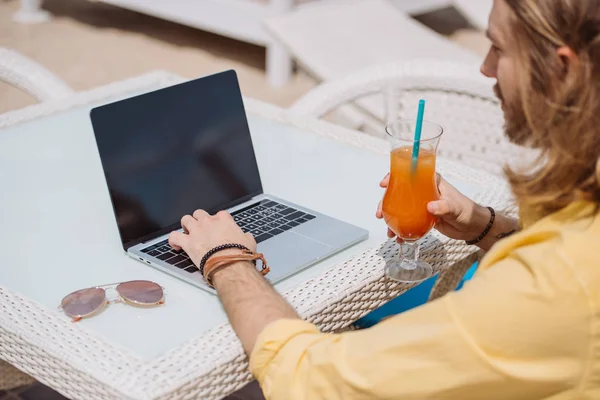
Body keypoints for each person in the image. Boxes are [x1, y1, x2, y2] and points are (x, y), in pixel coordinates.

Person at [169, 0, 600, 398]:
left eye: (498, 49)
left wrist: (227, 260)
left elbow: (307, 381)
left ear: (563, 70)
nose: (485, 68)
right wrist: (488, 226)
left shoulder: (551, 288)